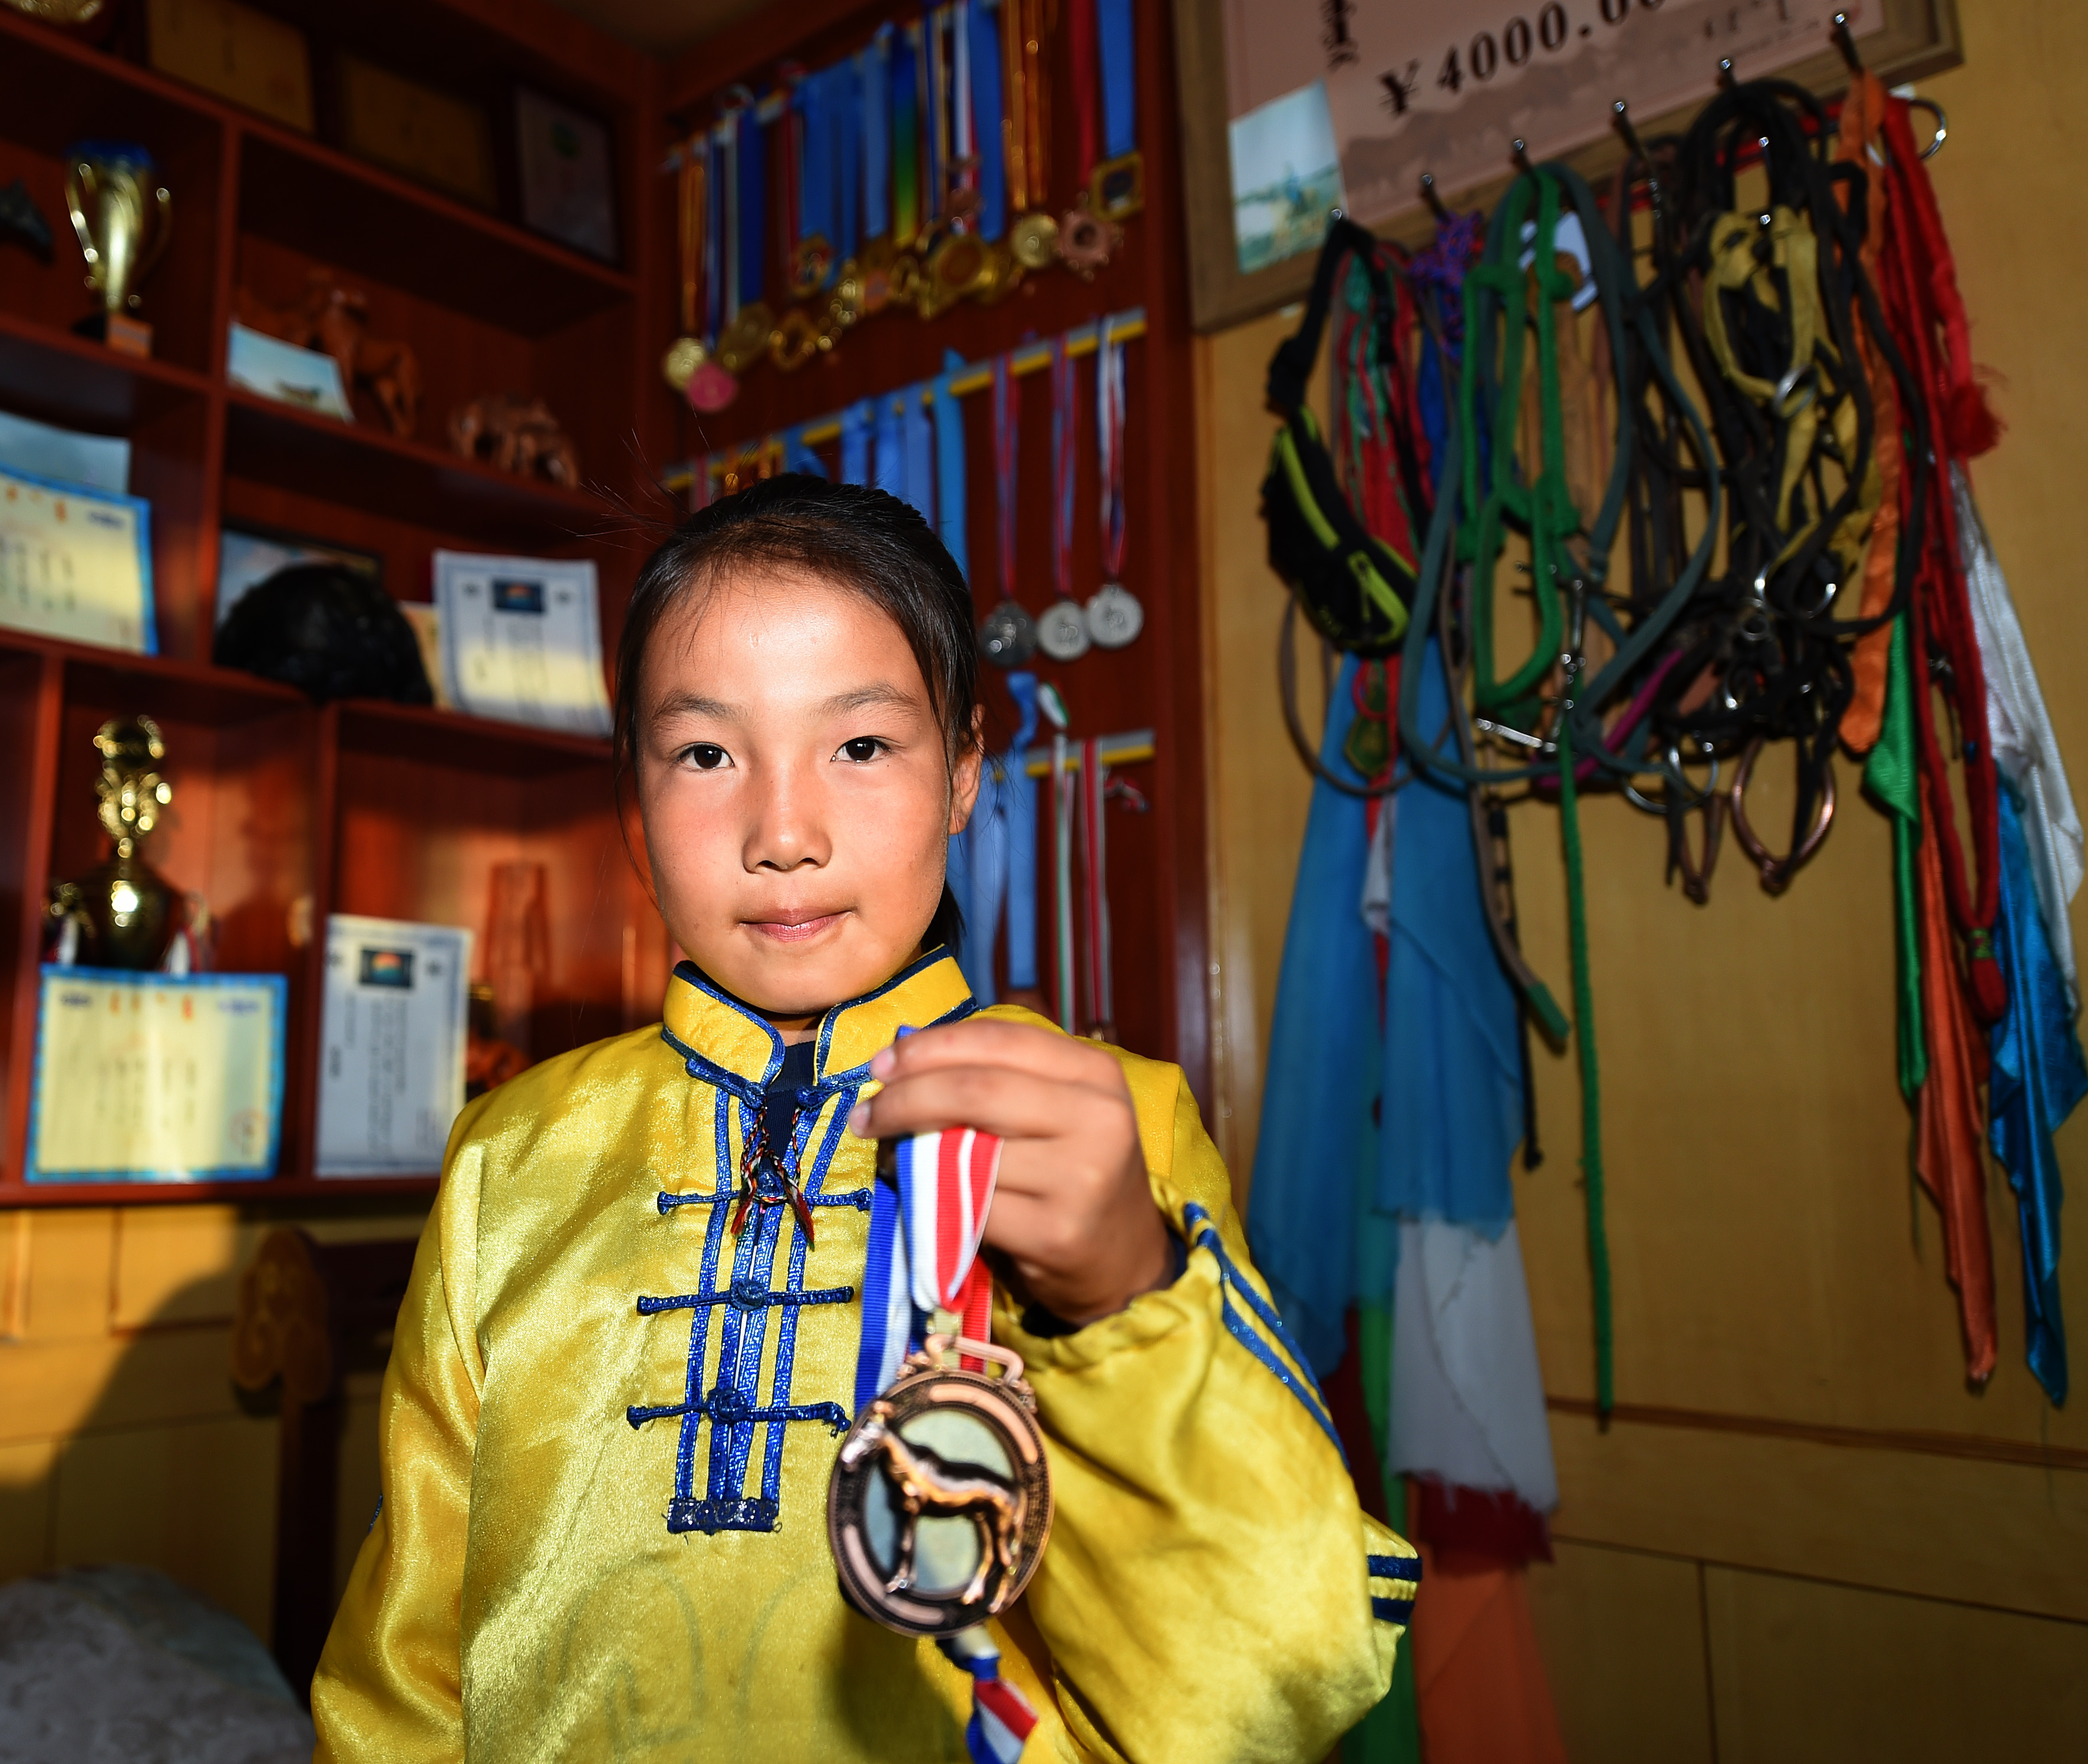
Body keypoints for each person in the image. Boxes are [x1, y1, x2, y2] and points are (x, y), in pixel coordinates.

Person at [311, 476, 1416, 1761]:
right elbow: (402, 1668)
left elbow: (1267, 1679)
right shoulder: (510, 1155)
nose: (781, 833)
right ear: (631, 797)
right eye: (705, 754)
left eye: (860, 746)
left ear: (960, 774)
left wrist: (1120, 1297)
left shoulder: (1112, 1132)